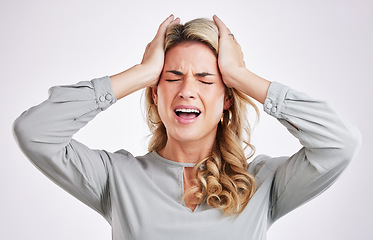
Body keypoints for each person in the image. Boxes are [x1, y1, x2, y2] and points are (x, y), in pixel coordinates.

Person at [13, 14, 361, 240]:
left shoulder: (263, 183)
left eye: (206, 79)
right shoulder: (115, 176)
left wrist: (241, 75)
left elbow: (340, 143)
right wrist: (138, 73)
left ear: (228, 98)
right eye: (172, 77)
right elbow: (34, 131)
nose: (187, 90)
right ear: (155, 93)